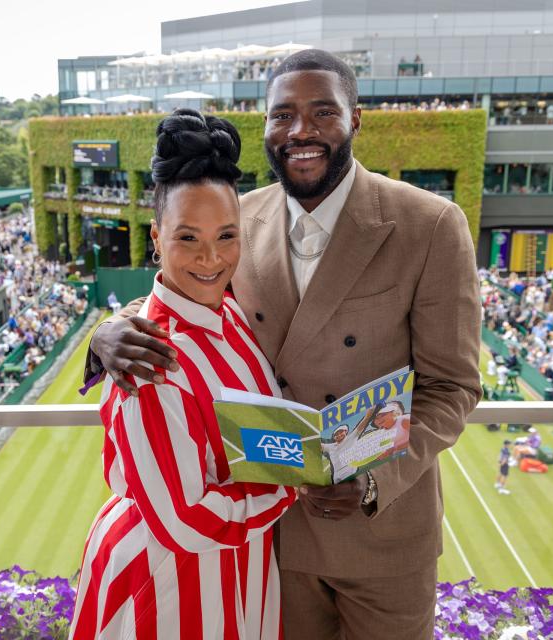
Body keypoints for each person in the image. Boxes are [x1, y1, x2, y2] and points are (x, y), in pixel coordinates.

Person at [87, 50, 481, 639]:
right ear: (266, 126)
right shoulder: (235, 217)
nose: (301, 130)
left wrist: (372, 479)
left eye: (323, 112)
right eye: (283, 115)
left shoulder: (429, 224)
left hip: (382, 533)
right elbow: (186, 287)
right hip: (275, 543)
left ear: (355, 119)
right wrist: (108, 331)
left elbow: (451, 389)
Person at [69, 110, 296, 639]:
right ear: (157, 235)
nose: (211, 258)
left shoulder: (234, 311)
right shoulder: (148, 358)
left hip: (240, 570)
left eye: (226, 236)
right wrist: (292, 487)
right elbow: (184, 519)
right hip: (167, 585)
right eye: (188, 238)